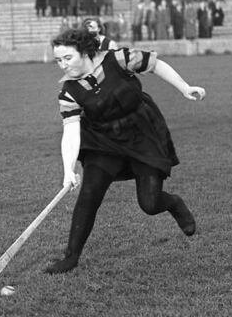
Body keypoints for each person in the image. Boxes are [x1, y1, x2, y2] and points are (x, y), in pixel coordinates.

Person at [45, 27, 206, 275]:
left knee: (150, 203)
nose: (63, 65)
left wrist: (184, 87)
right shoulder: (69, 91)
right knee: (89, 195)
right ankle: (71, 257)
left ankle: (174, 204)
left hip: (141, 133)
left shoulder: (117, 59)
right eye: (58, 60)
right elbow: (71, 131)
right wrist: (68, 170)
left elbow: (156, 65)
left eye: (68, 58)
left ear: (85, 52)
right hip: (103, 141)